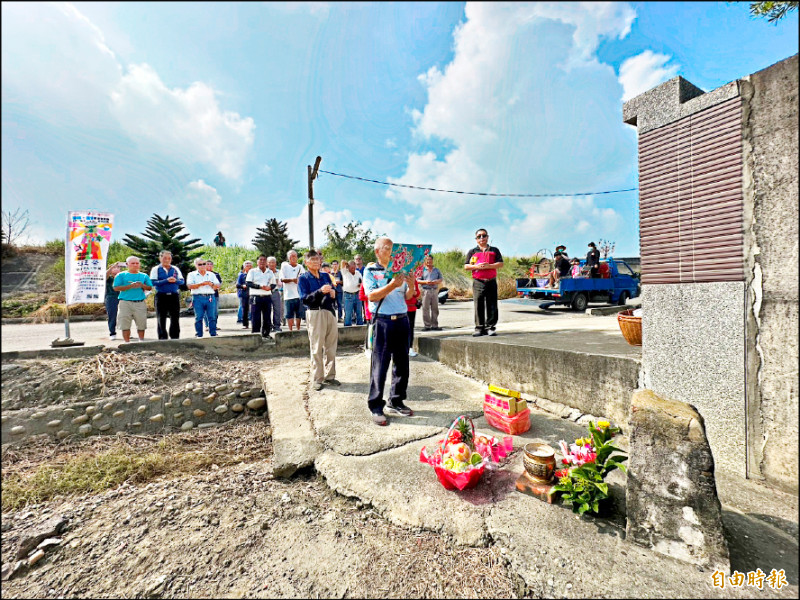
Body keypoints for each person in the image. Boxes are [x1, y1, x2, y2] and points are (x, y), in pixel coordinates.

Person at [365, 237, 416, 426]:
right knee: (380, 364)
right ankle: (376, 405)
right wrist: (392, 285)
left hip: (402, 319)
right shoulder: (370, 270)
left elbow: (408, 296)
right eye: (387, 248)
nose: (391, 251)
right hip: (383, 321)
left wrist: (410, 285)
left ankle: (396, 400)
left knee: (402, 363)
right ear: (377, 251)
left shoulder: (401, 270)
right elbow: (372, 296)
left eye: (392, 248)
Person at [298, 250, 339, 391]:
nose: (316, 262)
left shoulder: (325, 276)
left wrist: (333, 293)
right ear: (306, 262)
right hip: (315, 313)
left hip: (329, 312)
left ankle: (330, 376)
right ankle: (317, 378)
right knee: (316, 347)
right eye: (313, 260)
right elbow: (304, 299)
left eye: (318, 259)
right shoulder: (303, 278)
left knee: (331, 346)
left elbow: (333, 290)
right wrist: (320, 291)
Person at [464, 228, 503, 337]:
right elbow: (466, 266)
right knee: (478, 304)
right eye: (479, 236)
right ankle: (479, 328)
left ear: (487, 237)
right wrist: (476, 266)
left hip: (491, 281)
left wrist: (489, 266)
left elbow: (500, 263)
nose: (482, 238)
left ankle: (490, 327)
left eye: (484, 236)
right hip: (478, 282)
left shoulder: (494, 250)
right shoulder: (472, 251)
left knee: (492, 304)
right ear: (476, 239)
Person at [112, 256, 153, 343]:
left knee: (141, 323)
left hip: (140, 302)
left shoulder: (144, 275)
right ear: (127, 264)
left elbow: (149, 288)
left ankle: (141, 340)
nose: (135, 265)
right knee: (125, 324)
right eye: (132, 263)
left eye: (137, 263)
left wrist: (142, 285)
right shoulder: (121, 275)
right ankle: (127, 342)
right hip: (125, 302)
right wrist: (130, 286)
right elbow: (116, 288)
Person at [149, 250, 184, 340]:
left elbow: (182, 281)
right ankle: (162, 337)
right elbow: (152, 282)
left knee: (175, 317)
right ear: (160, 258)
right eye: (164, 258)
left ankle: (175, 336)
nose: (167, 260)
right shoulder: (156, 269)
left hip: (173, 295)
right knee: (161, 317)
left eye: (169, 258)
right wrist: (166, 280)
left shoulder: (175, 269)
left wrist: (175, 280)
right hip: (161, 296)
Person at [186, 257, 220, 337]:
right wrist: (202, 284)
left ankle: (213, 333)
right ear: (196, 265)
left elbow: (217, 286)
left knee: (212, 316)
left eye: (204, 264)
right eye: (200, 264)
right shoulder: (192, 275)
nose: (202, 266)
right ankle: (199, 334)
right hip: (198, 297)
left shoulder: (211, 274)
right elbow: (190, 286)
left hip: (210, 297)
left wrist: (210, 284)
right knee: (199, 317)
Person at [246, 254, 276, 338]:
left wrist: (269, 287)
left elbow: (273, 284)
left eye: (264, 260)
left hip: (266, 296)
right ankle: (255, 334)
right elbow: (248, 283)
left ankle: (266, 334)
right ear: (257, 262)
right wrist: (260, 287)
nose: (262, 262)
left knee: (267, 316)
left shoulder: (269, 272)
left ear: (266, 262)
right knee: (256, 317)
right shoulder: (252, 271)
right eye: (260, 260)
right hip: (256, 296)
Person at [280, 250, 305, 331]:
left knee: (299, 314)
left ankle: (298, 329)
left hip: (299, 295)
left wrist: (299, 280)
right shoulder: (284, 267)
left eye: (295, 256)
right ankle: (290, 330)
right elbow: (282, 279)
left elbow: (303, 277)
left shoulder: (300, 267)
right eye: (291, 256)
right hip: (288, 295)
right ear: (288, 258)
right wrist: (292, 280)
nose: (293, 258)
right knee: (289, 315)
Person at [417, 254, 443, 331]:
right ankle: (427, 326)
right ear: (425, 261)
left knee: (435, 308)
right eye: (427, 260)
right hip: (425, 291)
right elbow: (418, 280)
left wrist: (436, 281)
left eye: (430, 259)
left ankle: (435, 325)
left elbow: (441, 279)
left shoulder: (436, 270)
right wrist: (426, 282)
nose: (429, 261)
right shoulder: (421, 270)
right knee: (425, 308)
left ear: (432, 260)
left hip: (434, 290)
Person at [341, 260, 364, 326]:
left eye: (354, 267)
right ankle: (347, 329)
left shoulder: (358, 273)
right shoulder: (345, 272)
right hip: (348, 295)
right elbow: (342, 262)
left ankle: (360, 327)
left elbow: (362, 282)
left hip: (357, 294)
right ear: (348, 267)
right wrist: (347, 264)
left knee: (359, 313)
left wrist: (360, 284)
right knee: (348, 313)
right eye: (351, 268)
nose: (353, 269)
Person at [105, 262, 123, 340]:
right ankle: (112, 332)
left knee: (125, 316)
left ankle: (125, 332)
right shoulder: (109, 278)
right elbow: (105, 275)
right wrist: (112, 267)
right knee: (112, 315)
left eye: (118, 267)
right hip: (111, 297)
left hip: (123, 297)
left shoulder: (122, 277)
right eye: (115, 267)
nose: (116, 268)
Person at [203, 260, 222, 331]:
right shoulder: (202, 274)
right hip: (205, 295)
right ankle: (207, 325)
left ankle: (214, 325)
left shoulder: (216, 274)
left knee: (215, 311)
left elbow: (218, 285)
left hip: (214, 295)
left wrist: (211, 284)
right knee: (206, 311)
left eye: (211, 264)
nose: (209, 265)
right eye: (207, 264)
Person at [405, 275, 421, 357]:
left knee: (411, 328)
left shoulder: (413, 279)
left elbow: (418, 292)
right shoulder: (400, 279)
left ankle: (410, 347)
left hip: (412, 307)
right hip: (403, 308)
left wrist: (414, 293)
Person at [267, 256, 283, 333]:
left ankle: (277, 326)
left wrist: (275, 281)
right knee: (267, 310)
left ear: (275, 263)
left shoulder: (279, 272)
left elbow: (280, 283)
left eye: (273, 262)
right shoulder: (265, 272)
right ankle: (268, 326)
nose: (271, 264)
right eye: (270, 262)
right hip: (267, 293)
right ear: (267, 263)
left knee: (277, 310)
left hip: (276, 292)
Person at [236, 260, 253, 329]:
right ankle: (245, 324)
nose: (248, 267)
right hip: (244, 294)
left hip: (253, 293)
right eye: (247, 266)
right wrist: (243, 286)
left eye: (250, 266)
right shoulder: (241, 275)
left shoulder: (254, 274)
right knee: (245, 309)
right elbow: (237, 285)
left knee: (254, 309)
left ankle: (255, 323)